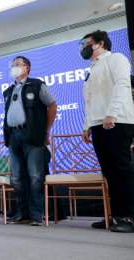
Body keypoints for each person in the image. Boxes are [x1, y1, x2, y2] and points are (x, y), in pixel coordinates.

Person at [80, 30, 134, 233]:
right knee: (109, 172)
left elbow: (123, 84)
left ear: (100, 44)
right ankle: (116, 216)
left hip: (117, 120)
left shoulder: (116, 58)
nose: (83, 47)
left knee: (122, 169)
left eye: (87, 43)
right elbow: (90, 101)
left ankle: (130, 216)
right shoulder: (92, 68)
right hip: (98, 125)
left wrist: (112, 113)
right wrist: (87, 125)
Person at [3, 56, 57, 226]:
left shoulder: (37, 84)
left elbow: (52, 105)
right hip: (12, 136)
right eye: (12, 65)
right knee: (17, 178)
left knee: (35, 176)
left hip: (32, 135)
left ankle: (36, 214)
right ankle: (22, 212)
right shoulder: (8, 91)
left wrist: (46, 131)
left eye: (17, 64)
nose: (14, 67)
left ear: (26, 68)